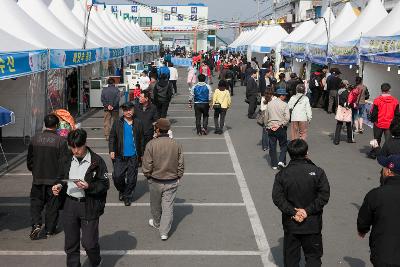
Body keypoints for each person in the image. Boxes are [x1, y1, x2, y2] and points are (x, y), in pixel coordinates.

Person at [52, 129, 109, 267]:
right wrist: (58, 185)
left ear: (85, 143)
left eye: (78, 146)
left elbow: (104, 184)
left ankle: (96, 261)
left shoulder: (96, 161)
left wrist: (89, 186)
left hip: (88, 205)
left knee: (89, 243)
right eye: (72, 147)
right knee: (71, 243)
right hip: (70, 204)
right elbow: (60, 177)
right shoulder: (66, 158)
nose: (75, 150)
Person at [272, 139, 330, 267]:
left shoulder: (282, 175)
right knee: (313, 258)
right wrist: (306, 211)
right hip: (312, 224)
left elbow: (277, 198)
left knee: (291, 260)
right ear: (306, 153)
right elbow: (324, 195)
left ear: (289, 153)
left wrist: (293, 212)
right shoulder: (318, 172)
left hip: (291, 224)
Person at [27, 114, 68, 240]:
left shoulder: (34, 139)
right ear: (56, 126)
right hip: (54, 180)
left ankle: (36, 224)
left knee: (36, 203)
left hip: (38, 178)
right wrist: (62, 179)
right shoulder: (61, 141)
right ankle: (50, 229)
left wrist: (35, 170)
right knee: (52, 206)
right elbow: (63, 163)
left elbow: (30, 161)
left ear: (45, 124)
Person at [143, 118, 184, 241]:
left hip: (155, 180)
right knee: (168, 207)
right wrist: (179, 175)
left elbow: (147, 164)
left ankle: (156, 223)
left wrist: (147, 175)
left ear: (158, 130)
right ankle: (164, 232)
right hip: (171, 180)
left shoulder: (151, 144)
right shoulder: (176, 144)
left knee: (155, 204)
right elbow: (181, 163)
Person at [357, 154, 400, 267]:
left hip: (383, 253)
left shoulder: (376, 194)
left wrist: (362, 230)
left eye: (383, 168)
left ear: (388, 171)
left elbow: (364, 218)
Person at [109, 102, 144, 206]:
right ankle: (122, 190)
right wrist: (112, 150)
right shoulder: (117, 122)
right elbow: (112, 137)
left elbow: (142, 139)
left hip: (133, 156)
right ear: (123, 111)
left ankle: (127, 196)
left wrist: (141, 153)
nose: (128, 112)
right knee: (117, 176)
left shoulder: (138, 122)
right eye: (125, 110)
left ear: (133, 110)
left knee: (132, 179)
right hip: (120, 155)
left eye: (130, 109)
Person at [368, 83, 399, 158]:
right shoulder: (395, 101)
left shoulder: (377, 100)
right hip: (389, 124)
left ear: (381, 90)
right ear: (389, 90)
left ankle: (373, 153)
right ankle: (388, 155)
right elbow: (397, 114)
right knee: (388, 141)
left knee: (376, 139)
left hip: (378, 123)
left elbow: (374, 113)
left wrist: (373, 120)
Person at [264, 88, 290, 170]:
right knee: (283, 145)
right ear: (281, 96)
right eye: (284, 95)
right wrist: (280, 124)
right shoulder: (285, 104)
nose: (285, 96)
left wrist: (267, 125)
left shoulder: (270, 104)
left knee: (272, 146)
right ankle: (281, 161)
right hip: (281, 127)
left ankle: (274, 164)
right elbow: (287, 118)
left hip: (271, 127)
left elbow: (266, 117)